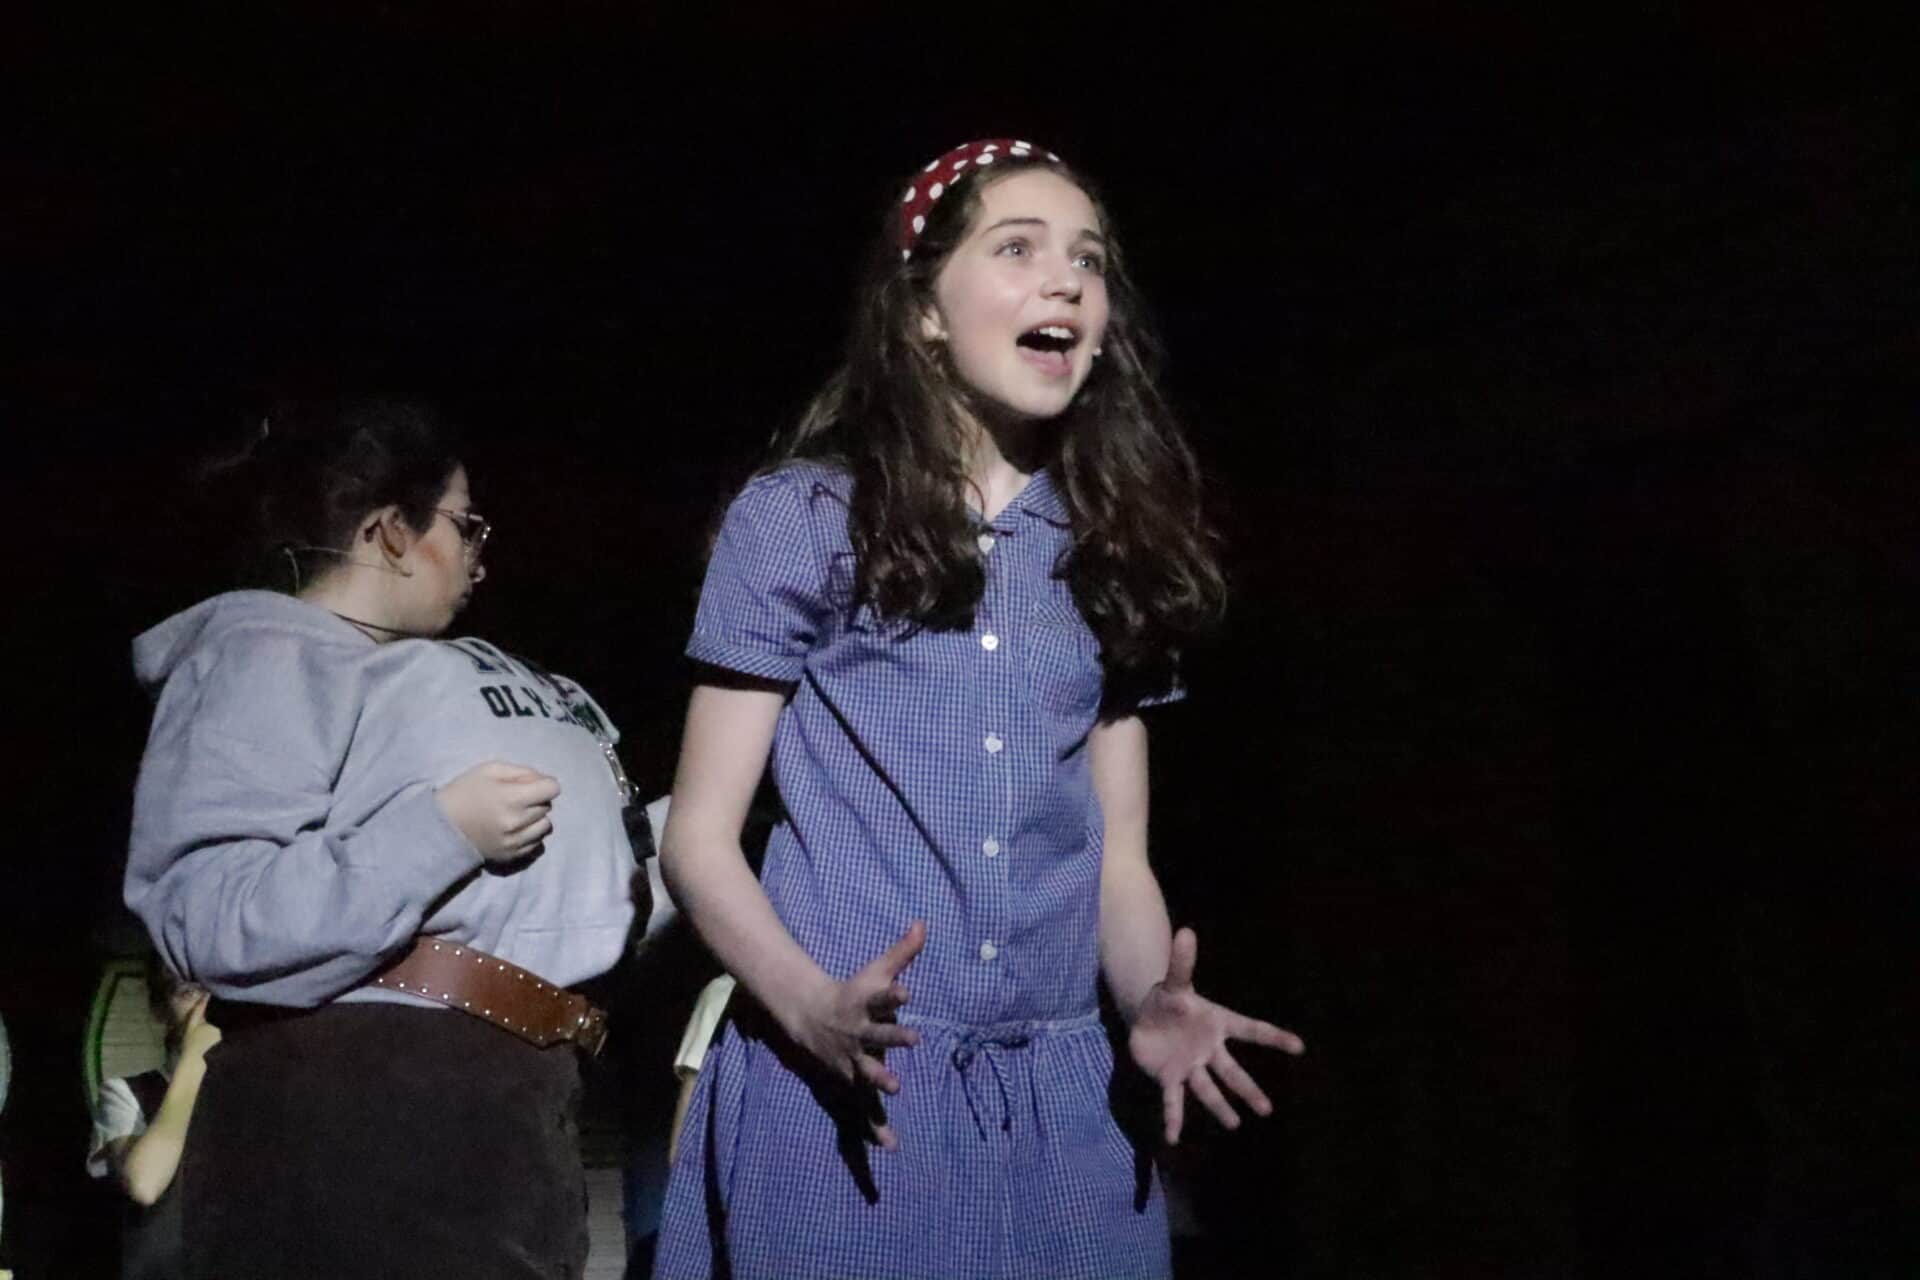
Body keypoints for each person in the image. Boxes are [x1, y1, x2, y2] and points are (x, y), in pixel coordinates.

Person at [652, 140, 1304, 1280]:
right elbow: (698, 840)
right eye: (1018, 249)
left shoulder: (1111, 545)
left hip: (1062, 1099)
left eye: (1088, 261)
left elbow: (1118, 861)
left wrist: (1148, 1000)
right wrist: (807, 1006)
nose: (1066, 282)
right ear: (922, 314)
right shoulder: (805, 516)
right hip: (856, 1078)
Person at [124, 395, 642, 1279]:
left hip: (507, 1105)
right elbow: (210, 914)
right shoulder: (262, 656)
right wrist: (440, 832)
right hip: (362, 1123)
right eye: (465, 525)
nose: (481, 556)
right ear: (390, 532)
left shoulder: (423, 677)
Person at [85, 959, 218, 1280]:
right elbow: (145, 1183)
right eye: (188, 992)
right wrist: (194, 1058)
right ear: (160, 1009)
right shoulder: (128, 1093)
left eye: (216, 990)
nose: (206, 1006)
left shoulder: (256, 1089)